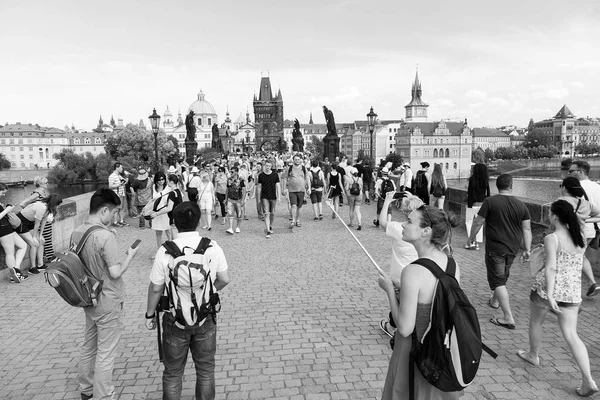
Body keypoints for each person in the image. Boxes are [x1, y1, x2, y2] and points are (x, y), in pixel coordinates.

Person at [145, 201, 230, 400]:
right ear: (199, 221)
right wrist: (206, 294)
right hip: (205, 317)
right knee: (206, 371)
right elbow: (224, 279)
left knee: (173, 373)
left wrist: (149, 315)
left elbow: (156, 287)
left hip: (174, 319)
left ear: (174, 222)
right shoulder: (212, 247)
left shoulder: (165, 250)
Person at [378, 205, 461, 399]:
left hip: (414, 351)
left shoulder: (412, 271)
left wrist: (390, 290)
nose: (403, 225)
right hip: (440, 349)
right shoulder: (452, 264)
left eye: (409, 221)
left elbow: (405, 328)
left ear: (426, 231)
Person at [517, 200, 598, 397]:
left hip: (547, 289)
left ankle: (533, 355)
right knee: (572, 334)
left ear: (554, 216)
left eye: (550, 214)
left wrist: (551, 294)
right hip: (572, 291)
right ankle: (588, 380)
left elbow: (552, 267)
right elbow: (577, 261)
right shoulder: (579, 235)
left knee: (536, 322)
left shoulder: (552, 238)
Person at [78, 189, 139, 400]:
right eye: (113, 213)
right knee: (105, 352)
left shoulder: (78, 232)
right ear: (104, 210)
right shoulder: (104, 236)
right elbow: (115, 272)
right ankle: (104, 395)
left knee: (89, 345)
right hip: (108, 300)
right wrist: (130, 256)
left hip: (88, 298)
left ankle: (86, 388)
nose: (114, 217)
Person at [468, 173, 532, 330]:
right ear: (511, 186)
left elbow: (478, 222)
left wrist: (471, 238)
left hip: (495, 247)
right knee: (502, 277)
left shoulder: (490, 201)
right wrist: (528, 249)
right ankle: (495, 301)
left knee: (497, 281)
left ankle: (508, 317)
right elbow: (527, 229)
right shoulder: (521, 205)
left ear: (497, 186)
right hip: (512, 248)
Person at [378, 190, 422, 338]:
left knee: (398, 303)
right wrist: (414, 197)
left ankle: (394, 327)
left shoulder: (399, 228)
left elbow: (382, 222)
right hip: (418, 274)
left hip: (399, 274)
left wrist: (387, 200)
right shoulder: (424, 230)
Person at [568, 160, 600, 297]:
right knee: (580, 256)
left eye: (571, 171)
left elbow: (572, 211)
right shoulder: (597, 186)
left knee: (570, 262)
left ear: (580, 172)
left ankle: (570, 295)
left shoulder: (576, 188)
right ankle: (593, 283)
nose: (568, 174)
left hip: (580, 229)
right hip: (594, 228)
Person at [16, 193, 62, 276]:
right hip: (21, 223)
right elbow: (37, 223)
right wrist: (34, 237)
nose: (58, 207)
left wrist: (40, 235)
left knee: (41, 241)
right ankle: (32, 268)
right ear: (53, 203)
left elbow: (43, 222)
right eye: (57, 205)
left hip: (29, 223)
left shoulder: (48, 208)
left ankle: (40, 264)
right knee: (34, 244)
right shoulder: (42, 207)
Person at [0, 183, 28, 283]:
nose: (3, 195)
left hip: (7, 227)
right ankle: (14, 275)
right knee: (10, 252)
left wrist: (8, 208)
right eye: (2, 192)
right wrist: (7, 210)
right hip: (3, 229)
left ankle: (16, 270)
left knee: (23, 245)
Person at [465, 163, 491, 250]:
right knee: (479, 223)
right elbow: (488, 194)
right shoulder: (485, 180)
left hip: (473, 204)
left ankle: (471, 241)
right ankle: (477, 243)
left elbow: (470, 194)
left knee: (469, 222)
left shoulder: (472, 180)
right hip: (483, 204)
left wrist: (469, 206)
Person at [283, 154, 311, 228]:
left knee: (299, 206)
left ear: (300, 160)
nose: (297, 161)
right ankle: (293, 221)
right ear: (293, 160)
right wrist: (285, 188)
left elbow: (307, 178)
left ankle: (298, 220)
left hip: (301, 190)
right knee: (293, 205)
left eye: (298, 159)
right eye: (295, 159)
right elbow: (285, 178)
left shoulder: (304, 168)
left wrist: (309, 188)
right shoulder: (290, 168)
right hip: (292, 190)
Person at [257, 160, 281, 239]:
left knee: (272, 213)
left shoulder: (275, 175)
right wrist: (258, 197)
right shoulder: (261, 175)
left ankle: (270, 225)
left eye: (269, 166)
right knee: (266, 213)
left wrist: (279, 196)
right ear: (264, 166)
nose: (267, 167)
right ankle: (267, 230)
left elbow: (278, 186)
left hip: (273, 196)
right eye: (266, 165)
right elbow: (259, 186)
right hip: (264, 196)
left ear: (271, 166)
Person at [149, 172, 172, 254]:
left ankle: (172, 250)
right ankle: (159, 252)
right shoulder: (153, 187)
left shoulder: (168, 188)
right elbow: (152, 199)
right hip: (156, 212)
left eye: (163, 179)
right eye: (159, 179)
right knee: (158, 233)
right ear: (156, 180)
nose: (161, 181)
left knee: (168, 232)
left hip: (165, 211)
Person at [225, 166, 246, 234]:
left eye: (232, 172)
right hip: (230, 199)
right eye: (230, 171)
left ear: (236, 172)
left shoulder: (241, 180)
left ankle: (237, 227)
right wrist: (226, 199)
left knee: (239, 214)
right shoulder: (229, 179)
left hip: (238, 199)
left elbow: (244, 190)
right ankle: (230, 228)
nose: (231, 173)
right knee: (230, 213)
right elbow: (227, 190)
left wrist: (243, 200)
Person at [108, 162, 128, 227]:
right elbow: (110, 186)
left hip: (121, 194)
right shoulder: (112, 176)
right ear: (117, 168)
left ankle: (121, 221)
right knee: (116, 209)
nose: (122, 169)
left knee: (121, 208)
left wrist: (125, 179)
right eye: (121, 167)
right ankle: (115, 222)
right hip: (116, 195)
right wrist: (119, 184)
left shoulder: (119, 176)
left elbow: (124, 182)